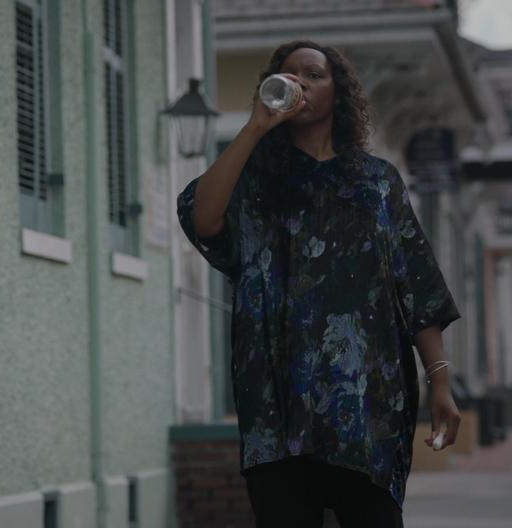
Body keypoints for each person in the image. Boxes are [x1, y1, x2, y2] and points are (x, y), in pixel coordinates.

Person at [176, 40, 462, 527]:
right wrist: (254, 127)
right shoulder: (256, 179)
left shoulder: (377, 182)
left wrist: (440, 382)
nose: (300, 84)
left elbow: (414, 284)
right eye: (289, 76)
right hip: (277, 405)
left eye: (313, 75)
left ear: (339, 92)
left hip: (368, 404)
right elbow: (203, 220)